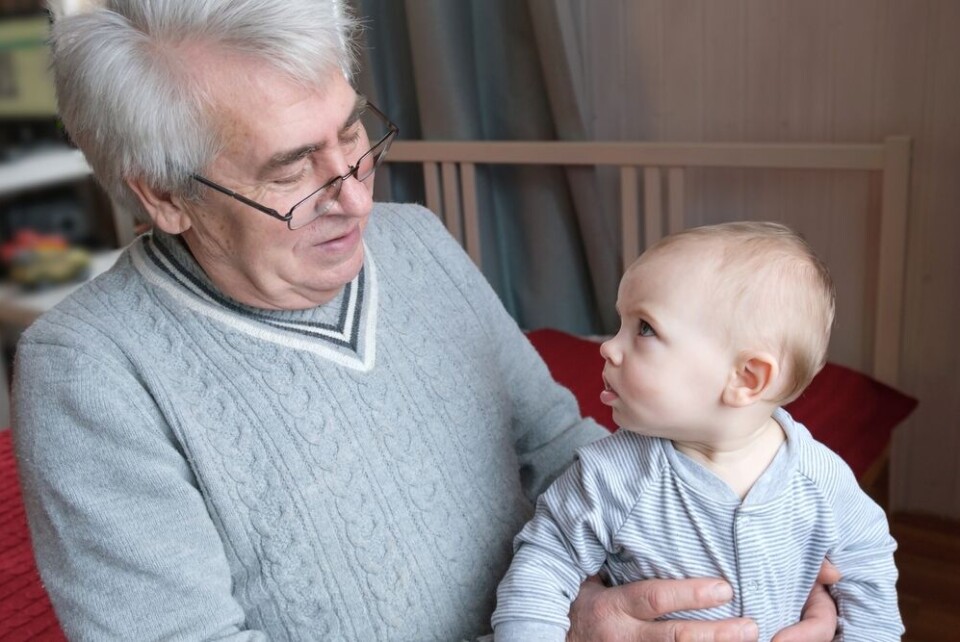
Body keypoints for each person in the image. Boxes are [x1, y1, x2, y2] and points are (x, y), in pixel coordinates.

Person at [12, 1, 838, 640]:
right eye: (295, 168)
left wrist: (757, 555)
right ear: (163, 196)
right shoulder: (91, 371)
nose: (358, 194)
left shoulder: (416, 244)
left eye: (352, 134)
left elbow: (560, 447)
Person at [492, 222, 903, 641]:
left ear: (747, 378)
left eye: (645, 328)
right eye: (621, 323)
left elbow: (867, 567)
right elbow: (542, 566)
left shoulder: (820, 480)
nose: (609, 347)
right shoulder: (609, 477)